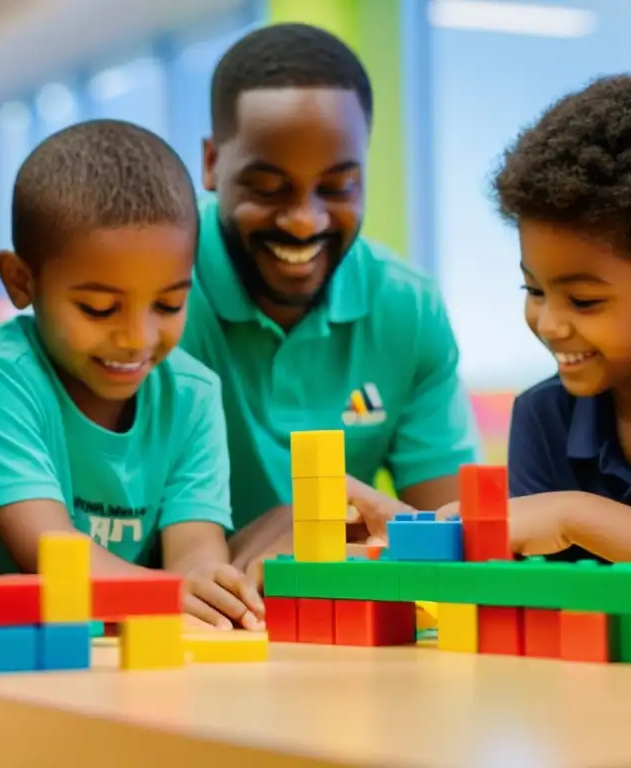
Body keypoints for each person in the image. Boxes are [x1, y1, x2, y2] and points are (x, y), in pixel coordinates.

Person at [0, 120, 266, 631]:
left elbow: (194, 549)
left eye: (169, 303)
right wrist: (169, 595)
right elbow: (51, 553)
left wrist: (212, 591)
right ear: (21, 281)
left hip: (104, 652)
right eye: (100, 308)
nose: (137, 338)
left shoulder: (192, 394)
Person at [180, 23, 481, 571]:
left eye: (338, 186)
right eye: (268, 189)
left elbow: (462, 541)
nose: (303, 221)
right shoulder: (154, 296)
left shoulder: (407, 309)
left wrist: (366, 525)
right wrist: (243, 544)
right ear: (210, 163)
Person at [474, 74, 631, 612]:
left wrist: (578, 516)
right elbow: (526, 594)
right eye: (535, 289)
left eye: (584, 301)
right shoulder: (544, 417)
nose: (548, 323)